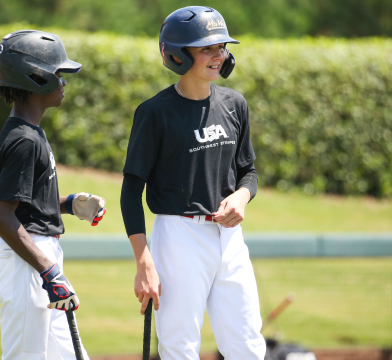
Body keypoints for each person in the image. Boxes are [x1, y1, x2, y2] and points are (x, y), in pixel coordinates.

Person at [120, 6, 266, 360]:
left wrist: (242, 198)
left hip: (230, 239)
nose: (219, 55)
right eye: (207, 48)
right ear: (177, 56)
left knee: (247, 342)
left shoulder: (235, 104)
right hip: (179, 236)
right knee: (179, 345)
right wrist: (144, 262)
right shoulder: (154, 112)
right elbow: (129, 194)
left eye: (222, 47)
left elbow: (249, 172)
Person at [0, 30, 106, 360]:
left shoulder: (29, 133)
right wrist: (48, 271)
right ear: (35, 77)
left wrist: (69, 205)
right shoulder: (24, 139)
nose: (64, 82)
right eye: (58, 73)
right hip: (29, 261)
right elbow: (0, 216)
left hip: (37, 256)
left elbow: (24, 204)